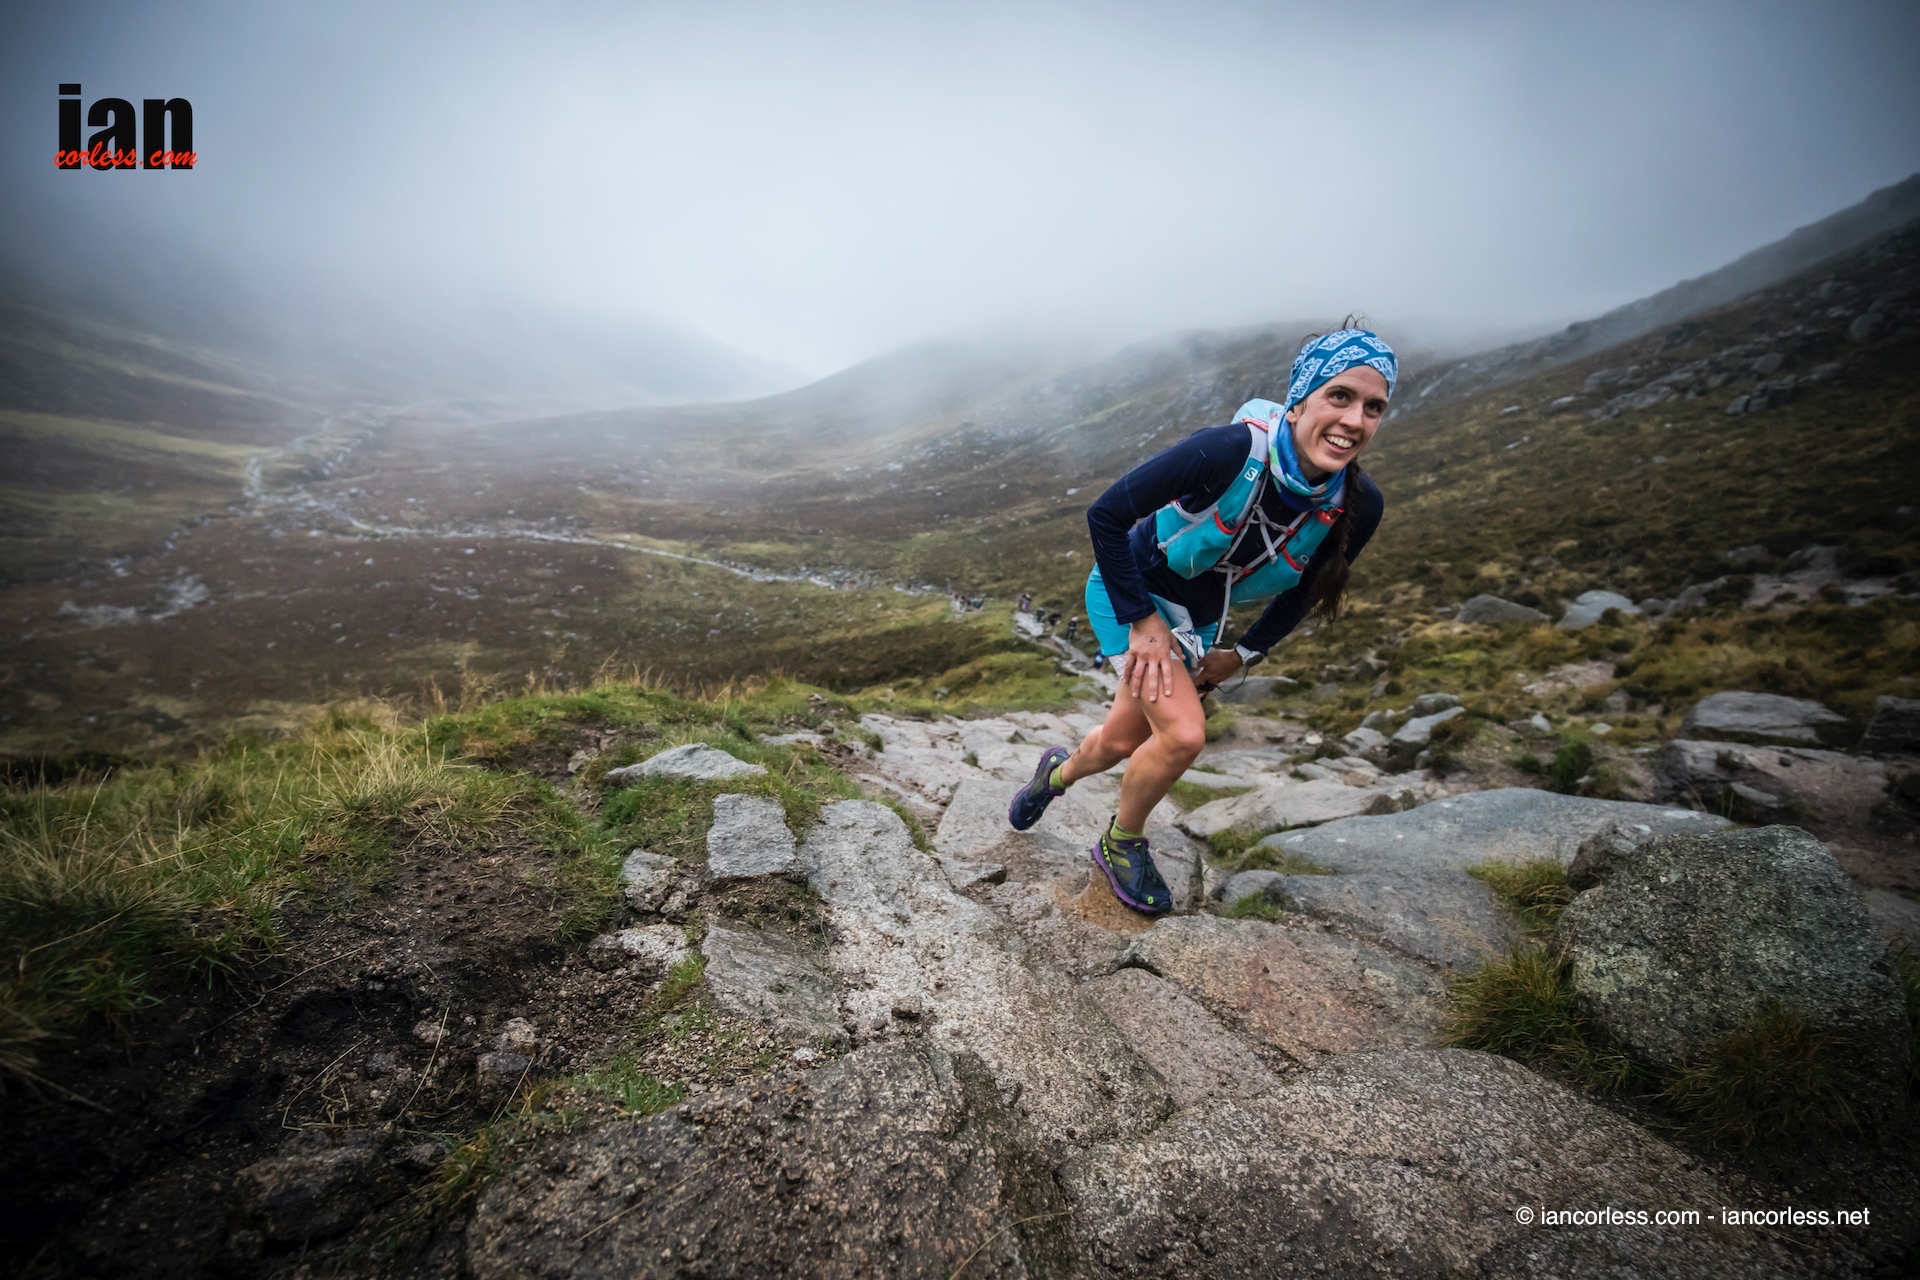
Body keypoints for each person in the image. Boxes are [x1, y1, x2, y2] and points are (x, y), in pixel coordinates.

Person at [1006, 328, 1395, 915]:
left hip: (1194, 623)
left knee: (1120, 741)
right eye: (1339, 396)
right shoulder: (1228, 451)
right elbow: (1106, 514)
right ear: (1300, 399)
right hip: (1128, 597)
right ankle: (1121, 842)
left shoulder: (1358, 504)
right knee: (1183, 735)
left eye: (1373, 407)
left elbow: (1306, 591)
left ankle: (1053, 777)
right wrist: (1143, 622)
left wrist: (1244, 653)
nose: (1354, 420)